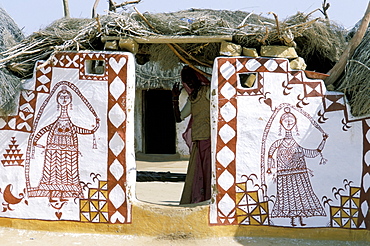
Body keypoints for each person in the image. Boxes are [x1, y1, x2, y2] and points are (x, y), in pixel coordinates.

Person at [31, 84, 100, 202]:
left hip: (70, 150)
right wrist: (36, 141)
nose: (64, 98)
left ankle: (63, 195)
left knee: (68, 170)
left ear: (70, 100)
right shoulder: (55, 124)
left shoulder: (70, 124)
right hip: (53, 150)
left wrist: (93, 130)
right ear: (57, 99)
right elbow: (44, 129)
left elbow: (78, 130)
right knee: (53, 170)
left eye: (66, 96)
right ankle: (53, 195)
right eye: (61, 96)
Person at [266, 107, 328, 226]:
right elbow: (270, 152)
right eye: (286, 120)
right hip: (284, 176)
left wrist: (323, 141)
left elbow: (313, 152)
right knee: (288, 197)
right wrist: (270, 166)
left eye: (291, 120)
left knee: (301, 196)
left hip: (299, 175)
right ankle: (293, 219)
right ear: (281, 123)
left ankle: (300, 219)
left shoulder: (297, 145)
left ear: (295, 123)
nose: (289, 122)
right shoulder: (279, 143)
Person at [172, 65, 211, 204]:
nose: (189, 82)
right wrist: (175, 100)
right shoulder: (192, 98)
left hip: (209, 140)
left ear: (197, 78)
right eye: (186, 80)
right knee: (197, 173)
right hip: (198, 140)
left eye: (190, 79)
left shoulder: (208, 92)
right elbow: (179, 117)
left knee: (208, 172)